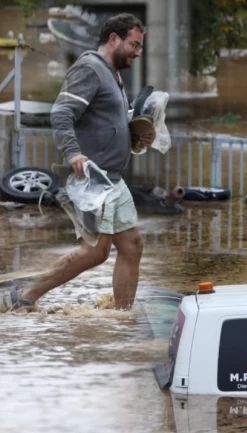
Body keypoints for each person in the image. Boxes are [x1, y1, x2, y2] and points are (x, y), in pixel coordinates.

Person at [0, 14, 153, 313]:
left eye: (140, 46)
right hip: (93, 179)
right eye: (134, 44)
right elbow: (61, 113)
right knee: (94, 253)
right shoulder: (90, 68)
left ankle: (121, 316)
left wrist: (135, 135)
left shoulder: (113, 74)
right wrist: (73, 153)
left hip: (113, 179)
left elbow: (107, 122)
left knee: (132, 244)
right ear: (113, 39)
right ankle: (25, 296)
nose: (137, 52)